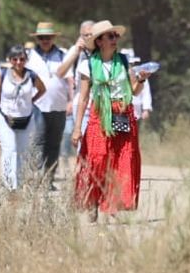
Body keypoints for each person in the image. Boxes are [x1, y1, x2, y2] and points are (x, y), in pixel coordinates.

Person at [72, 20, 148, 221]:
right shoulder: (88, 65)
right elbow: (83, 98)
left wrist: (141, 79)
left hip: (123, 112)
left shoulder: (123, 61)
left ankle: (113, 203)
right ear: (99, 41)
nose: (115, 40)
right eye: (110, 36)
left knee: (122, 159)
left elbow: (133, 91)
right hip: (99, 114)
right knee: (97, 159)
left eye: (116, 36)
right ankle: (92, 201)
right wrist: (77, 128)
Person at [27, 21, 86, 188]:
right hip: (37, 105)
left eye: (48, 37)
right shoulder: (29, 56)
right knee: (38, 142)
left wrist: (70, 101)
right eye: (42, 38)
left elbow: (69, 79)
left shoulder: (63, 54)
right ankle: (36, 179)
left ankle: (48, 179)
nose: (45, 40)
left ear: (53, 38)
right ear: (37, 39)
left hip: (59, 106)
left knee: (54, 145)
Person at [0, 45, 47, 191]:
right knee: (10, 149)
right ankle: (10, 185)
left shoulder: (31, 75)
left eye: (21, 59)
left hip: (26, 118)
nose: (18, 62)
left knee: (22, 151)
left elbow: (42, 89)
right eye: (15, 59)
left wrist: (31, 101)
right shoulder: (2, 75)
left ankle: (19, 183)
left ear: (25, 60)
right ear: (10, 60)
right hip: (5, 117)